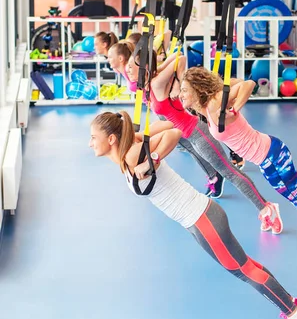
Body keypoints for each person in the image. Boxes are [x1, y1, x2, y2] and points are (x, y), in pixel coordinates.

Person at [89, 110, 297, 319]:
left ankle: (296, 314)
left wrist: (153, 158)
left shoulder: (134, 154)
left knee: (243, 270)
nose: (90, 142)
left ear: (111, 138)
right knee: (246, 265)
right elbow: (165, 125)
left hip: (202, 218)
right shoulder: (131, 150)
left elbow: (175, 132)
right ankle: (292, 304)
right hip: (198, 220)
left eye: (94, 137)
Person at [180, 67, 297, 277]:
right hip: (268, 158)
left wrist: (235, 106)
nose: (181, 95)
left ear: (197, 90)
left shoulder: (217, 102)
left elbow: (249, 84)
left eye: (184, 90)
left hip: (273, 159)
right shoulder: (208, 108)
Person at [107, 41, 282, 233]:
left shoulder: (156, 82)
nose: (128, 70)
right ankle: (245, 196)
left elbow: (180, 57)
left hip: (198, 132)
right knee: (224, 171)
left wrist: (179, 83)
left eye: (132, 66)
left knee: (230, 172)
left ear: (144, 67)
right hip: (190, 135)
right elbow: (169, 121)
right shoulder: (150, 84)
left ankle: (267, 208)